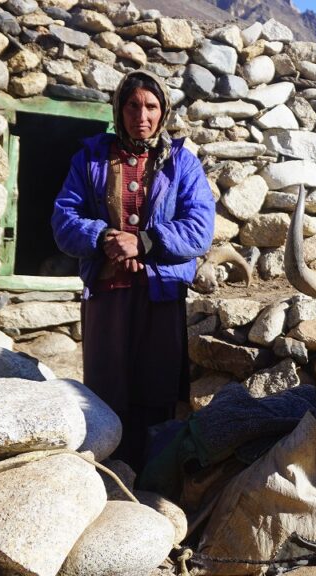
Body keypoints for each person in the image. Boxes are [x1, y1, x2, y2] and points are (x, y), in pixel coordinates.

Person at [52, 70, 215, 470]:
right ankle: (108, 472)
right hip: (108, 294)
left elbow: (200, 229)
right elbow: (63, 219)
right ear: (119, 109)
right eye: (132, 105)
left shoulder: (182, 163)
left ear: (163, 112)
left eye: (151, 106)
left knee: (157, 390)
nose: (141, 115)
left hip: (160, 296)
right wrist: (103, 236)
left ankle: (153, 478)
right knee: (106, 392)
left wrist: (144, 242)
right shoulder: (90, 158)